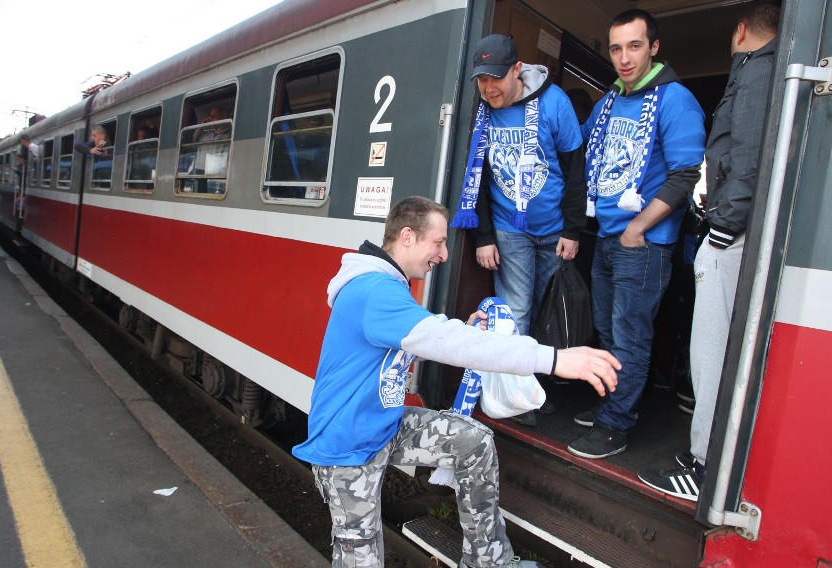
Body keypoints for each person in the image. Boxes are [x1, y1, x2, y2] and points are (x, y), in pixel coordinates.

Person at [293, 196, 621, 568]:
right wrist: (555, 358)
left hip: (381, 426)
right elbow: (448, 343)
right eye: (438, 242)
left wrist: (461, 329)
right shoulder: (374, 291)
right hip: (347, 445)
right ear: (406, 237)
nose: (445, 254)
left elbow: (409, 345)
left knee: (472, 441)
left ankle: (489, 561)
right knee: (360, 557)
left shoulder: (387, 286)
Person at [637, 2, 780, 501]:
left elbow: (747, 157)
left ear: (741, 31)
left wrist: (724, 225)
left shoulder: (758, 73)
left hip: (731, 237)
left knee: (711, 353)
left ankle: (704, 466)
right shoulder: (765, 71)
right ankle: (704, 453)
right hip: (734, 231)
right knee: (710, 351)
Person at [568, 9, 706, 460]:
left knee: (629, 335)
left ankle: (616, 425)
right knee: (608, 329)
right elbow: (581, 144)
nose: (624, 58)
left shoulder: (674, 99)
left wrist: (638, 227)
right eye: (615, 48)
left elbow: (687, 173)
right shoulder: (611, 98)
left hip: (642, 243)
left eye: (634, 46)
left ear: (654, 48)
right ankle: (616, 402)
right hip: (605, 235)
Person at [451, 34, 586, 338]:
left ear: (517, 69)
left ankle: (531, 382)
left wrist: (572, 229)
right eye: (482, 80)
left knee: (545, 310)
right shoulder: (483, 110)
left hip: (555, 229)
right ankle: (511, 385)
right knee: (516, 314)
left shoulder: (555, 103)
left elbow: (576, 170)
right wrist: (484, 236)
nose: (488, 88)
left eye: (495, 78)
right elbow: (478, 177)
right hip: (509, 230)